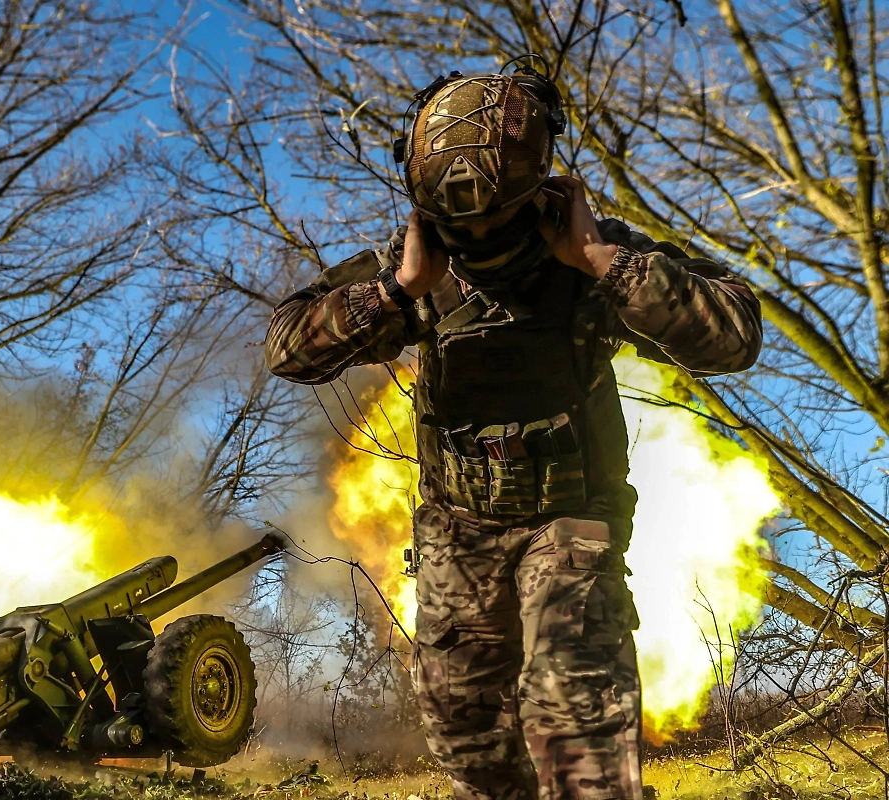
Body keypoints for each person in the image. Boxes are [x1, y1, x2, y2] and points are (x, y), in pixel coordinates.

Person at [264, 68, 762, 800]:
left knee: (578, 723)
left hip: (570, 522)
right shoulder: (414, 273)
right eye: (459, 228)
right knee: (466, 737)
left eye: (493, 223)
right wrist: (395, 292)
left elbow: (734, 334)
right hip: (459, 532)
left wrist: (602, 262)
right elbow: (286, 350)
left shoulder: (593, 260)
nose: (478, 243)